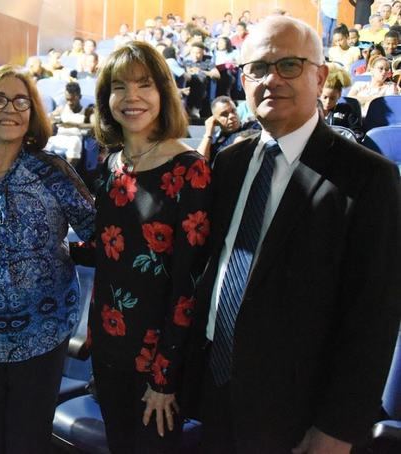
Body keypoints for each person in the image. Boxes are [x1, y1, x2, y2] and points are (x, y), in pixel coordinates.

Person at [187, 15, 400, 453]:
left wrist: (337, 429)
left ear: (320, 75)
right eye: (259, 68)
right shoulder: (230, 161)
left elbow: (373, 318)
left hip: (297, 410)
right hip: (215, 389)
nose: (271, 80)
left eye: (288, 65)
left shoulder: (369, 178)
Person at [0, 65, 95, 454]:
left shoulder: (53, 171)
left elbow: (100, 233)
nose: (8, 108)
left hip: (42, 330)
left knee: (27, 439)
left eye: (20, 101)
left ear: (32, 114)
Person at [87, 40, 212, 453]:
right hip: (108, 351)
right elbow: (110, 256)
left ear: (163, 91)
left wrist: (164, 377)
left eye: (144, 84)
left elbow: (188, 287)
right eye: (119, 86)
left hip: (157, 364)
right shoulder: (111, 164)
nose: (132, 97)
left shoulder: (189, 169)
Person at [197, 96, 260, 164]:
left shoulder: (252, 126)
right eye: (224, 114)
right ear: (215, 120)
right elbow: (200, 163)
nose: (231, 116)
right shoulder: (215, 141)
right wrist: (208, 133)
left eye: (233, 111)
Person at [320, 63, 362, 135]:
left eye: (332, 98)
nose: (328, 102)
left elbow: (357, 133)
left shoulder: (346, 110)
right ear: (319, 92)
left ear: (339, 95)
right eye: (325, 97)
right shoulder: (312, 111)